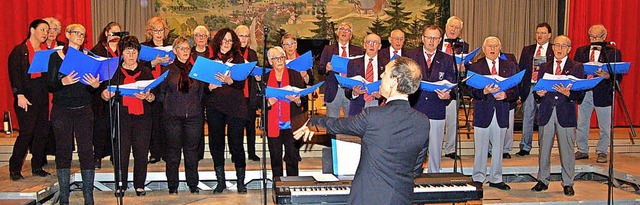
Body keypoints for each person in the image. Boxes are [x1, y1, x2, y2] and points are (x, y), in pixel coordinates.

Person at [294, 57, 429, 205]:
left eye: (385, 73)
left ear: (394, 81)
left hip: (368, 197)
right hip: (401, 197)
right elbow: (416, 169)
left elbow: (338, 125)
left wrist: (313, 121)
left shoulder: (373, 116)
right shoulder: (422, 121)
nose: (381, 76)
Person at [48, 23, 99, 205]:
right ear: (68, 35)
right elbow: (50, 85)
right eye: (76, 33)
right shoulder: (56, 56)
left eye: (82, 34)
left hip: (83, 109)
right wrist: (64, 82)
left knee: (86, 151)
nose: (79, 36)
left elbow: (91, 87)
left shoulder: (89, 56)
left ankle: (88, 195)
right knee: (63, 151)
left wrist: (95, 85)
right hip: (62, 110)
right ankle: (64, 196)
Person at [100, 36, 155, 197]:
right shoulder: (114, 71)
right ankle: (120, 185)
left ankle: (139, 185)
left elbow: (154, 97)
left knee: (141, 152)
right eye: (128, 52)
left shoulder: (145, 71)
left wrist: (148, 97)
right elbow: (103, 95)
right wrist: (106, 94)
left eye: (134, 52)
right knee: (121, 153)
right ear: (122, 53)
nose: (131, 56)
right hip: (121, 116)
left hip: (142, 117)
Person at [531, 35, 584, 196]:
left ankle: (568, 182)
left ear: (569, 49)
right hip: (547, 111)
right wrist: (539, 94)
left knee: (567, 149)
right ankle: (542, 180)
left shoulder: (576, 67)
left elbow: (580, 93)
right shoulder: (544, 66)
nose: (559, 49)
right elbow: (537, 92)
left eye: (563, 46)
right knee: (544, 148)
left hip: (565, 112)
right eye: (557, 45)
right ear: (553, 47)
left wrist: (569, 93)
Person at [467, 36, 517, 191]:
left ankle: (496, 178)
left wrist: (506, 95)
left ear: (500, 47)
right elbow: (470, 90)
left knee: (498, 147)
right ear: (484, 48)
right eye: (489, 46)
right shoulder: (476, 67)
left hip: (501, 110)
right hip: (483, 111)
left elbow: (516, 90)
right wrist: (484, 91)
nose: (492, 49)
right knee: (481, 147)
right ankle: (478, 177)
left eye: (495, 46)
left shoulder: (509, 66)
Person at [205, 28, 248, 194]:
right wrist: (209, 87)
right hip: (215, 106)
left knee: (236, 143)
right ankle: (220, 182)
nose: (226, 43)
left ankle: (240, 182)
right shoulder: (209, 61)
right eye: (224, 40)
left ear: (234, 43)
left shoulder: (239, 60)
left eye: (229, 41)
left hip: (235, 106)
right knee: (216, 143)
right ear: (218, 41)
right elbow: (203, 87)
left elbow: (241, 83)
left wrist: (231, 80)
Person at [159, 36, 204, 194]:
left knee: (191, 152)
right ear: (175, 51)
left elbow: (201, 93)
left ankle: (193, 184)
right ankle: (173, 186)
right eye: (182, 48)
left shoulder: (196, 69)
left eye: (187, 49)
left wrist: (194, 109)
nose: (185, 52)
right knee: (173, 152)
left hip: (193, 117)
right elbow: (161, 93)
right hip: (172, 117)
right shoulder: (167, 70)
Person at [7, 19, 51, 181]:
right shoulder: (19, 50)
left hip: (42, 97)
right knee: (27, 133)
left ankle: (37, 166)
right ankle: (15, 168)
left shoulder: (45, 52)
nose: (45, 34)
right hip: (25, 97)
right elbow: (15, 74)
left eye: (47, 31)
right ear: (32, 30)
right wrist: (19, 95)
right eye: (42, 29)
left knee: (41, 133)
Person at [407, 25, 454, 173]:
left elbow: (452, 83)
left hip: (436, 108)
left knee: (435, 149)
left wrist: (448, 95)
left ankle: (434, 177)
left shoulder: (446, 59)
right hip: (415, 109)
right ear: (422, 38)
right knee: (413, 148)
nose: (431, 41)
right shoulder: (411, 56)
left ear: (440, 40)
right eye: (428, 37)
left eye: (435, 38)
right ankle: (412, 177)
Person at [574, 24, 622, 163]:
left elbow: (619, 75)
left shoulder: (612, 52)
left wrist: (608, 75)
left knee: (604, 125)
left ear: (604, 37)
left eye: (596, 37)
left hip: (603, 92)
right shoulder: (581, 51)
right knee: (582, 122)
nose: (593, 40)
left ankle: (602, 151)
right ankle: (582, 150)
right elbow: (575, 70)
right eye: (591, 37)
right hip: (586, 90)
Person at [265, 46, 307, 177]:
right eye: (276, 58)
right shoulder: (265, 78)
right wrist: (268, 102)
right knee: (275, 159)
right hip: (273, 124)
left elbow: (304, 100)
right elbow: (255, 101)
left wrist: (297, 101)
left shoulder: (294, 75)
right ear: (270, 61)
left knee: (292, 158)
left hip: (291, 124)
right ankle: (278, 188)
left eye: (282, 57)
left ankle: (293, 185)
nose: (279, 61)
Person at [516, 22, 554, 157]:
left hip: (545, 88)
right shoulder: (527, 50)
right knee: (527, 117)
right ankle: (525, 146)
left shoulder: (554, 50)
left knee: (544, 118)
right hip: (529, 87)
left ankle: (544, 147)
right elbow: (521, 70)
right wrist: (519, 91)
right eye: (538, 32)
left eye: (543, 33)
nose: (540, 35)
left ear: (549, 35)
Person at [91, 22, 122, 169]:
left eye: (118, 33)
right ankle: (97, 155)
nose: (116, 36)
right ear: (106, 33)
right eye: (113, 32)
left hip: (118, 91)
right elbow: (93, 70)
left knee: (117, 125)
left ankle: (114, 155)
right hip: (101, 93)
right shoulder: (97, 49)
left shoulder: (123, 50)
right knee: (101, 126)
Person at [439, 16, 470, 160]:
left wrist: (463, 69)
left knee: (452, 120)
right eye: (452, 26)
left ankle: (450, 149)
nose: (453, 30)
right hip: (434, 87)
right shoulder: (436, 41)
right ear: (446, 26)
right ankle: (430, 148)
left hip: (452, 87)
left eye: (457, 28)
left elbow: (465, 71)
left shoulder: (463, 46)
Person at [318, 22, 363, 118]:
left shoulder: (358, 51)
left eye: (347, 30)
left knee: (351, 123)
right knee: (332, 124)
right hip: (334, 90)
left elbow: (361, 70)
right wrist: (326, 68)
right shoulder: (328, 49)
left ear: (351, 36)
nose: (344, 32)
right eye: (342, 29)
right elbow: (320, 70)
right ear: (338, 33)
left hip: (351, 90)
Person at [142, 16, 172, 164]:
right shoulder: (144, 48)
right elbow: (140, 69)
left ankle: (167, 152)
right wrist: (154, 62)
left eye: (161, 30)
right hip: (152, 88)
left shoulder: (171, 47)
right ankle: (154, 153)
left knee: (167, 121)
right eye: (156, 30)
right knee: (153, 122)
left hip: (168, 89)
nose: (159, 33)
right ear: (150, 32)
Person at [345, 33, 388, 116]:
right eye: (369, 42)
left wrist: (382, 96)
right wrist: (354, 93)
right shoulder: (353, 63)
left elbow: (391, 90)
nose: (371, 45)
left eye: (375, 43)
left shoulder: (387, 64)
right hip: (358, 107)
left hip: (378, 106)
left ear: (379, 46)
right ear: (364, 45)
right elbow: (347, 90)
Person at [236, 25, 261, 162]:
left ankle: (252, 153)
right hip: (236, 97)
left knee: (251, 127)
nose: (244, 39)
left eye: (246, 36)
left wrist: (258, 76)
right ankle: (237, 154)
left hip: (250, 95)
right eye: (241, 36)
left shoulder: (252, 54)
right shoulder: (232, 54)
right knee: (237, 129)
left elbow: (256, 70)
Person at [190, 25, 213, 161]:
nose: (201, 38)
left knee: (212, 122)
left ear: (208, 38)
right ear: (194, 38)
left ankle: (212, 152)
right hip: (194, 92)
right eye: (198, 35)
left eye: (203, 35)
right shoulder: (189, 53)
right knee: (197, 123)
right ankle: (198, 154)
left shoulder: (213, 53)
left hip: (211, 92)